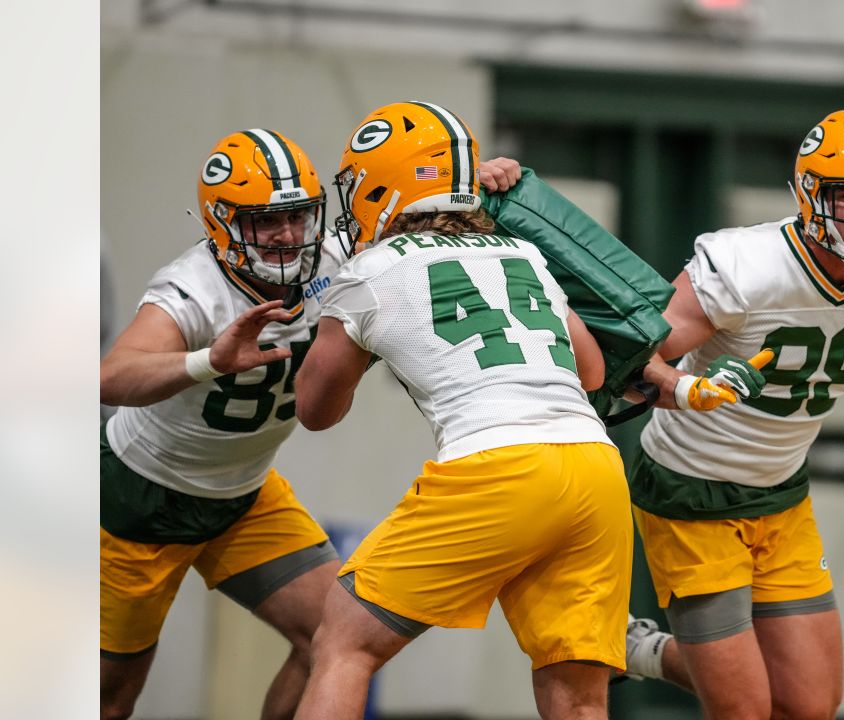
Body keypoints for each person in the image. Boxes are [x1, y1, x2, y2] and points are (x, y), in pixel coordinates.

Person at [289, 101, 743, 720]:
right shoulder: (522, 254)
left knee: (344, 644)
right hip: (593, 468)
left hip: (496, 466)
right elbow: (591, 372)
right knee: (578, 696)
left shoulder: (368, 271)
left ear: (381, 184)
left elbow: (315, 410)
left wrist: (359, 340)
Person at [623, 108, 844, 720]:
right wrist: (684, 390)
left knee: (810, 706)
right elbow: (631, 363)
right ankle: (636, 647)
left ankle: (641, 647)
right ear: (812, 194)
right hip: (690, 492)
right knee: (745, 711)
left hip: (782, 491)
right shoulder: (745, 267)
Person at [98, 128, 344, 720]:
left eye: (296, 216)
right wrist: (209, 360)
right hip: (144, 499)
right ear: (223, 223)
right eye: (264, 221)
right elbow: (109, 377)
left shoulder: (336, 257)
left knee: (340, 638)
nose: (287, 235)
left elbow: (420, 220)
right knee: (109, 699)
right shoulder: (194, 289)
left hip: (247, 492)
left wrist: (475, 182)